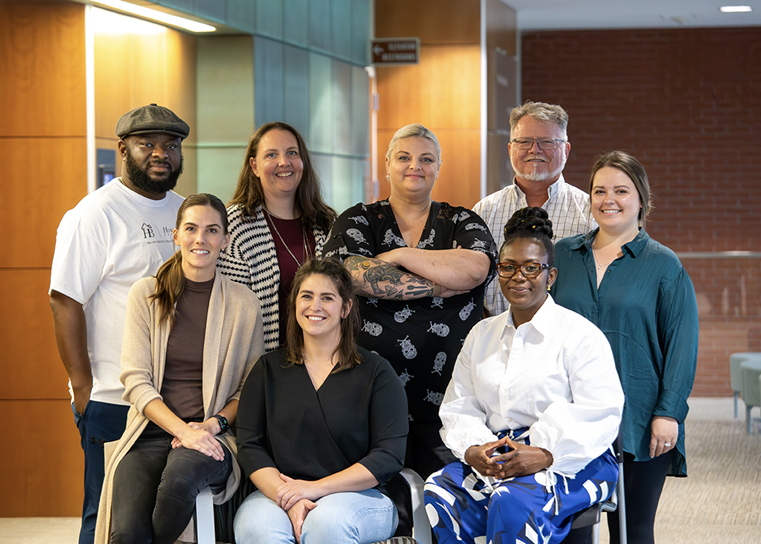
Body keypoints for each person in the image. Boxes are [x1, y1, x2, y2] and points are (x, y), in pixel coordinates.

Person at [424, 208, 624, 544]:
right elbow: (460, 404)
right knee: (439, 491)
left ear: (551, 275)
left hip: (574, 453)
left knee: (512, 499)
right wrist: (474, 448)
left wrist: (544, 452)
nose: (519, 276)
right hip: (498, 452)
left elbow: (600, 412)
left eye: (532, 267)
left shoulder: (579, 335)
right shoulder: (481, 334)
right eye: (508, 267)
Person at [322, 123, 496, 479]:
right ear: (387, 164)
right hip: (368, 394)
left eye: (426, 159)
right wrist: (435, 285)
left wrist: (399, 255)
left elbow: (476, 268)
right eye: (404, 157)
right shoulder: (358, 219)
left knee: (443, 504)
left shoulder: (461, 220)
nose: (414, 166)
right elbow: (352, 274)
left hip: (449, 398)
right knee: (377, 501)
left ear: (437, 168)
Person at [49, 104, 187, 544]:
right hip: (115, 397)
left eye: (170, 145)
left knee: (159, 522)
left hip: (178, 401)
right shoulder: (95, 214)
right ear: (123, 150)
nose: (160, 154)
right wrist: (83, 387)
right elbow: (64, 299)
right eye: (147, 144)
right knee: (106, 515)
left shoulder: (187, 214)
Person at [94, 194, 265, 544]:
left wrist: (211, 426)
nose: (200, 239)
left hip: (212, 437)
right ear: (176, 235)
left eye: (212, 230)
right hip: (149, 433)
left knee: (179, 482)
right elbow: (136, 381)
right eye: (191, 228)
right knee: (126, 532)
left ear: (225, 240)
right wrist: (181, 430)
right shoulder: (146, 295)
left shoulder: (243, 303)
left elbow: (250, 387)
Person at [551, 151, 698, 544]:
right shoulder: (562, 255)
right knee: (571, 530)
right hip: (568, 415)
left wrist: (669, 413)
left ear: (641, 200)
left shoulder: (663, 264)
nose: (608, 199)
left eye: (621, 190)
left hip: (639, 416)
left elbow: (682, 346)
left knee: (632, 531)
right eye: (599, 190)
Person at [234, 258, 408, 544]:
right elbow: (250, 445)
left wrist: (313, 489)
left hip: (357, 497)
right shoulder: (268, 369)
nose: (315, 306)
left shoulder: (376, 372)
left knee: (327, 525)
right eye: (306, 296)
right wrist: (288, 496)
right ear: (294, 304)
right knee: (257, 529)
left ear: (346, 308)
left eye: (327, 298)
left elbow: (388, 456)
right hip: (279, 491)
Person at [219, 122, 337, 352]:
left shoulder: (326, 222)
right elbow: (230, 313)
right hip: (263, 364)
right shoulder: (234, 225)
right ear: (254, 166)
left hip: (325, 361)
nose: (284, 162)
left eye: (292, 153)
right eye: (271, 154)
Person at [473, 101, 596, 316]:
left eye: (547, 142)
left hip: (565, 344)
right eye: (524, 142)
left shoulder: (590, 213)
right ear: (511, 149)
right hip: (495, 341)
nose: (534, 150)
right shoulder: (483, 212)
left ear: (566, 150)